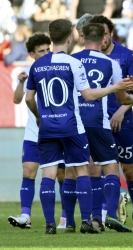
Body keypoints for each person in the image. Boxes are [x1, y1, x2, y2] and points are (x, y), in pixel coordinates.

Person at [25, 18, 133, 234]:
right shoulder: (83, 63)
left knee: (54, 174)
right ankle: (94, 219)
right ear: (70, 37)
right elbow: (96, 95)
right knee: (93, 168)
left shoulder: (41, 64)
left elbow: (29, 98)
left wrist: (39, 116)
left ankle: (56, 223)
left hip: (50, 125)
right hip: (80, 123)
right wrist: (123, 92)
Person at [71, 22, 133, 233]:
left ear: (82, 38)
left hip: (74, 122)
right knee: (111, 166)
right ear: (102, 39)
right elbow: (121, 97)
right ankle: (110, 215)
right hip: (99, 121)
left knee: (86, 169)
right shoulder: (110, 63)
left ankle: (88, 219)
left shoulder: (71, 60)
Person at [7, 32, 67, 229]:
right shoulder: (27, 71)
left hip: (58, 131)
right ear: (32, 54)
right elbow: (17, 100)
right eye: (41, 51)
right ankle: (26, 216)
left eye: (48, 49)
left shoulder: (59, 68)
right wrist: (22, 82)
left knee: (61, 176)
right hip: (34, 133)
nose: (46, 53)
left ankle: (65, 217)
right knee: (28, 172)